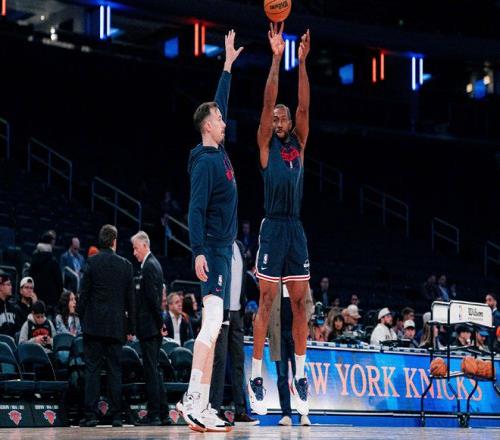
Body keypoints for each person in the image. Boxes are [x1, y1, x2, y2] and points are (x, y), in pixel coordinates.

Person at [176, 30, 243, 433]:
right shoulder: (204, 162)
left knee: (215, 328)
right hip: (213, 250)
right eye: (218, 118)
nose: (224, 120)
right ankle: (192, 401)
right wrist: (198, 250)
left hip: (222, 250)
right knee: (211, 325)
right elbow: (194, 210)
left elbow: (222, 101)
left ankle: (200, 404)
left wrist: (228, 66)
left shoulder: (218, 152)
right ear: (206, 126)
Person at [249, 23, 311, 417]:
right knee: (267, 301)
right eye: (273, 118)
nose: (278, 120)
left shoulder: (300, 142)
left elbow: (303, 106)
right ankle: (256, 374)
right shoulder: (265, 145)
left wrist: (301, 62)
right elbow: (268, 99)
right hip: (272, 226)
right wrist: (275, 59)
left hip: (295, 228)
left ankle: (301, 374)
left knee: (301, 304)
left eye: (282, 117)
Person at [77, 225, 135, 428]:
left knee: (92, 371)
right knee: (114, 371)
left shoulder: (91, 262)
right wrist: (130, 327)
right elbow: (131, 300)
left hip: (93, 327)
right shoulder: (126, 265)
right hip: (116, 327)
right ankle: (117, 416)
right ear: (114, 241)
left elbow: (83, 295)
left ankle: (91, 415)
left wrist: (82, 318)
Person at [210, 241, 258, 426]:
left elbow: (244, 278)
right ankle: (214, 409)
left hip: (238, 312)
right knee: (220, 362)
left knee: (238, 362)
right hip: (222, 311)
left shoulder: (239, 246)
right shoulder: (218, 245)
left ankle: (240, 410)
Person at [131, 231, 169, 426]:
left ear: (145, 246)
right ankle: (163, 413)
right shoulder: (152, 264)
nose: (134, 252)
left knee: (151, 372)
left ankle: (154, 414)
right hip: (152, 326)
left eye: (136, 248)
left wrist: (160, 323)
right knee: (154, 371)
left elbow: (154, 300)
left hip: (150, 327)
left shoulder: (150, 266)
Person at [269, 283, 312, 426]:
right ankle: (286, 414)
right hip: (278, 333)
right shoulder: (274, 279)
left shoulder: (301, 278)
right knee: (282, 375)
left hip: (296, 333)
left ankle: (303, 414)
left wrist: (302, 321)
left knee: (299, 375)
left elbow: (309, 304)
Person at [29, 230, 63, 310]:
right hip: (50, 300)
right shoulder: (53, 260)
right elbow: (59, 281)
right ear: (50, 243)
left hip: (36, 296)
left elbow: (30, 275)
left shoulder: (34, 258)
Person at [0, 272, 20, 337]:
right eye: (8, 284)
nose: (11, 287)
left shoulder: (13, 308)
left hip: (11, 342)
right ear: (0, 287)